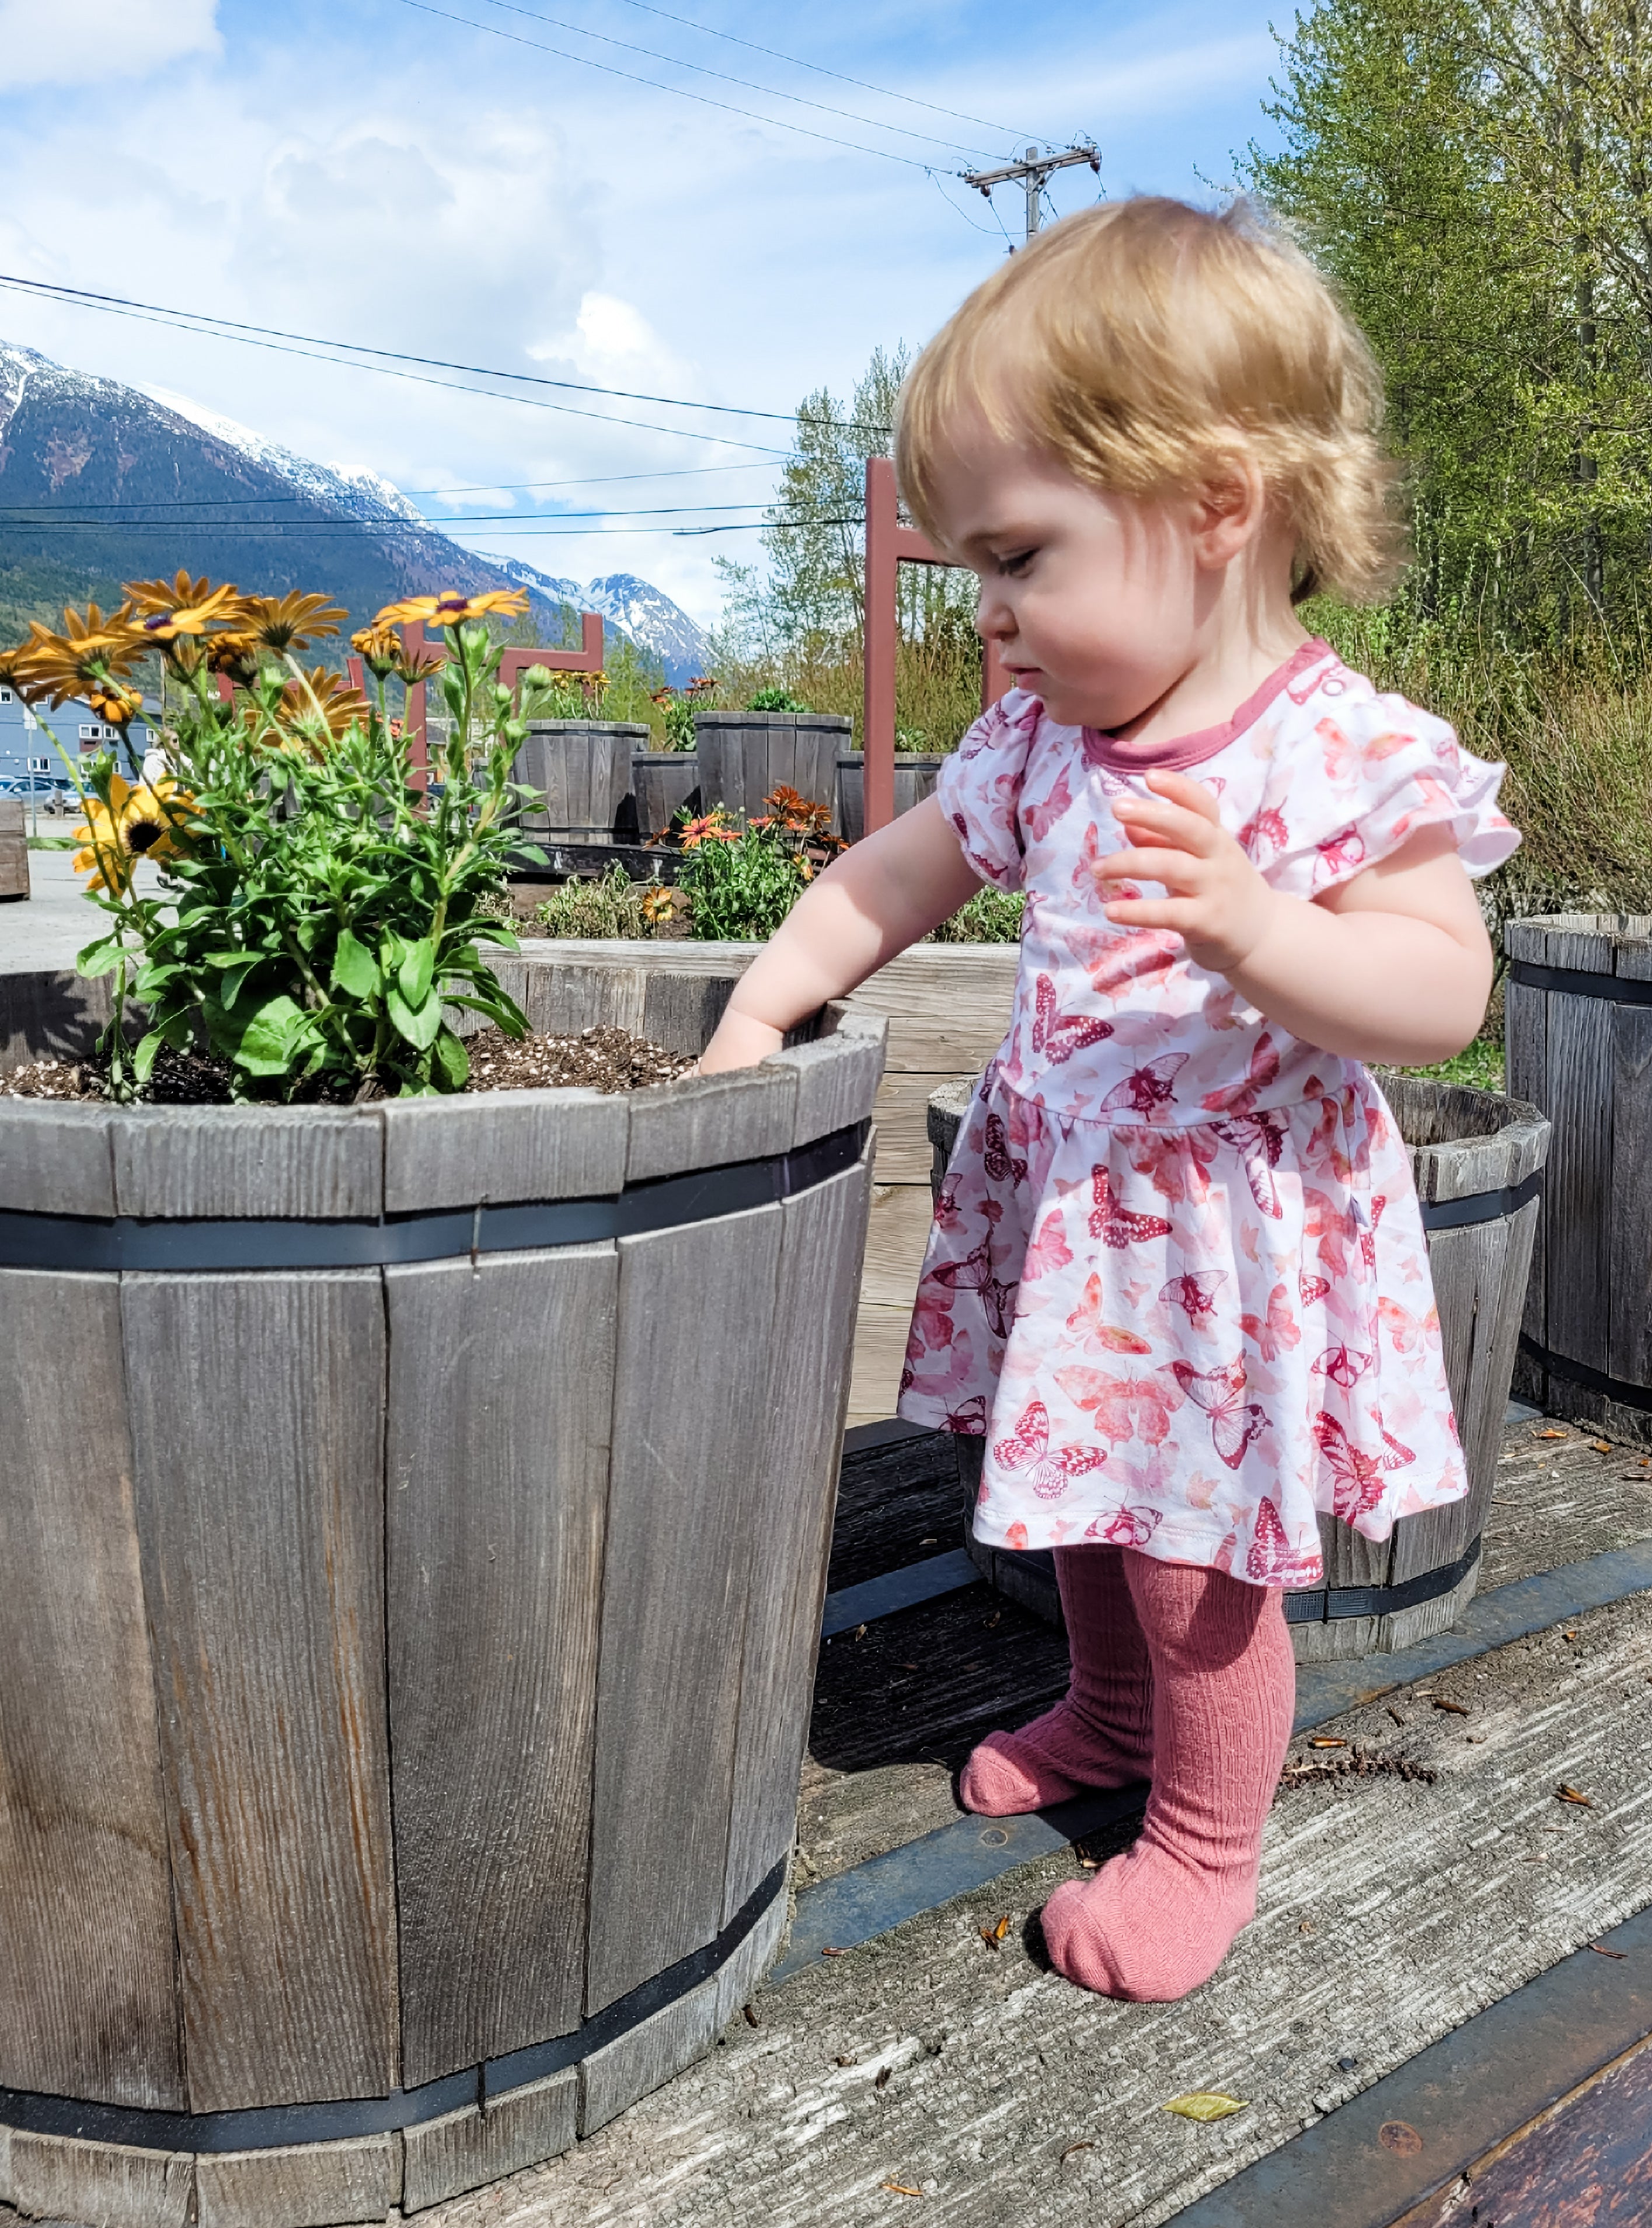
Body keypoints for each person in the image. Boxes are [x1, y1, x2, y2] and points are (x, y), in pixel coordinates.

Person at [697, 197, 1518, 2001]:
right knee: (1073, 1479)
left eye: (1020, 557)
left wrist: (1260, 931)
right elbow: (896, 874)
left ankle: (1207, 1836)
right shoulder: (1042, 746)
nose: (989, 614)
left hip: (1222, 1235)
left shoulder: (1338, 752)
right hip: (1079, 1208)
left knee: (1191, 1559)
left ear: (1214, 505)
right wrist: (762, 1001)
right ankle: (1108, 1715)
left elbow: (1443, 994)